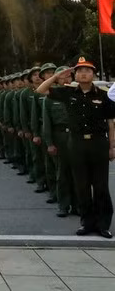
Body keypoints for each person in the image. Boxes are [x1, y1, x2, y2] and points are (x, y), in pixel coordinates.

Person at [38, 57, 115, 238]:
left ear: (93, 75)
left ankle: (103, 224)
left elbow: (111, 123)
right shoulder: (68, 92)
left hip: (98, 144)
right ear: (75, 74)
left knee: (101, 186)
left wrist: (112, 147)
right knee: (81, 186)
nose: (83, 73)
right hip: (77, 144)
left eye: (88, 71)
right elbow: (41, 90)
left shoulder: (103, 94)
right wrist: (57, 75)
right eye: (80, 70)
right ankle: (87, 223)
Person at [41, 66, 76, 217]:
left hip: (76, 137)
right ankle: (64, 205)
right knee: (62, 173)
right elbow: (47, 123)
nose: (66, 79)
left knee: (78, 173)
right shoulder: (50, 98)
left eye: (69, 76)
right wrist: (49, 143)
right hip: (59, 137)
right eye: (62, 77)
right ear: (56, 79)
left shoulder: (78, 94)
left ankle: (78, 205)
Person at [31, 64, 56, 197]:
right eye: (47, 73)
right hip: (45, 130)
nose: (51, 75)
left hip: (65, 132)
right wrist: (35, 133)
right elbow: (34, 116)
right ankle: (52, 191)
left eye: (53, 72)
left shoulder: (65, 90)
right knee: (49, 163)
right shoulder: (39, 94)